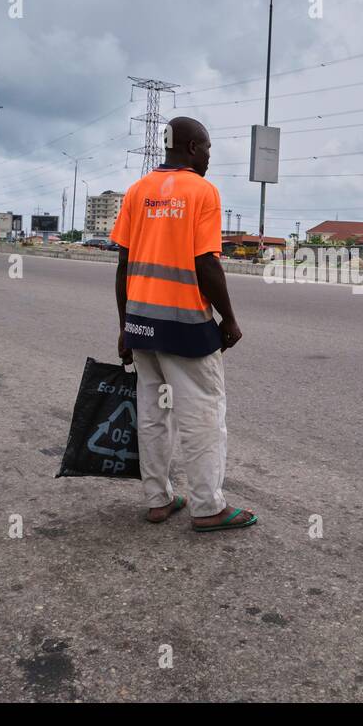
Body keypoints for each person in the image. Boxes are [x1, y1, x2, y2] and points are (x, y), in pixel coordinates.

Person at [111, 116, 254, 532]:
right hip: (186, 326)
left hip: (141, 325)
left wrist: (124, 326)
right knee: (203, 416)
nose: (209, 156)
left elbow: (123, 266)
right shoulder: (202, 191)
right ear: (192, 147)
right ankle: (207, 508)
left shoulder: (137, 191)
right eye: (207, 148)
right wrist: (229, 319)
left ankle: (158, 500)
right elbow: (206, 262)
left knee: (152, 415)